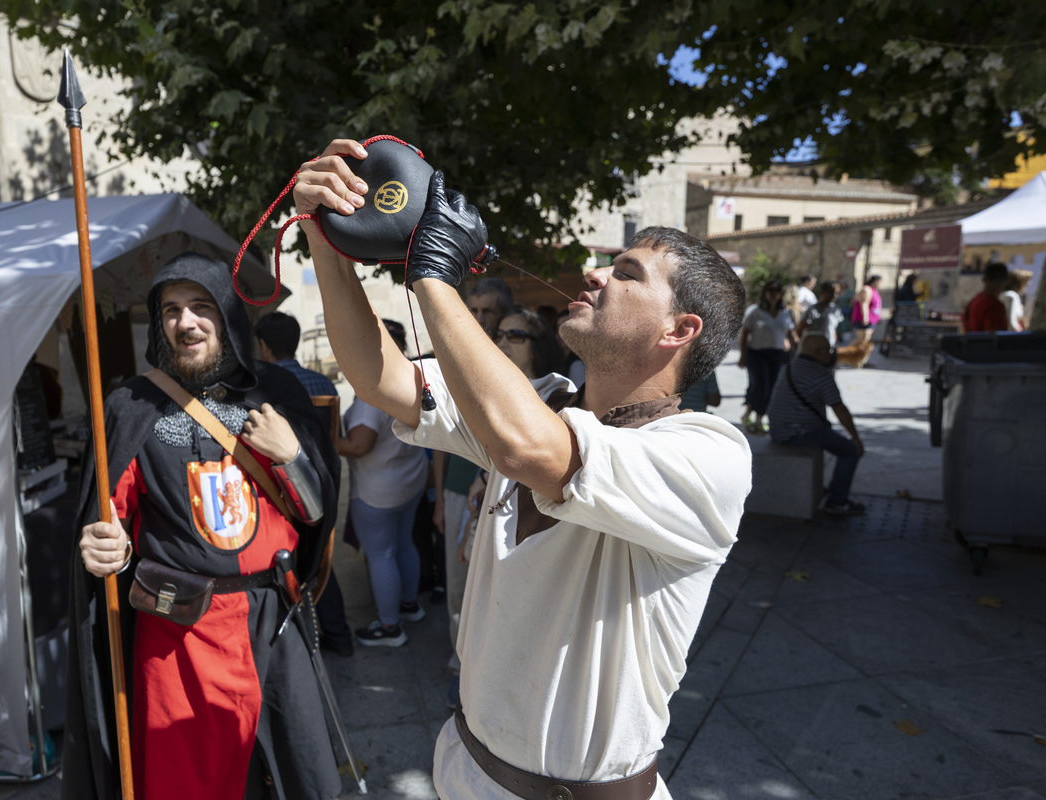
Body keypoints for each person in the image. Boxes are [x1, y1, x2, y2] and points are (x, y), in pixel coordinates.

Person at [293, 138, 751, 800]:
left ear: (679, 330)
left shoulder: (711, 454)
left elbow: (528, 452)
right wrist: (327, 237)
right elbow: (381, 376)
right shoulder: (540, 403)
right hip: (463, 767)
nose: (595, 274)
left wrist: (432, 274)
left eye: (626, 273)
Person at [63, 253, 342, 800]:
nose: (185, 322)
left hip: (271, 623)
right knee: (187, 784)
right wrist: (106, 551)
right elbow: (110, 526)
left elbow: (316, 516)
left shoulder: (277, 394)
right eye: (170, 310)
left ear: (230, 316)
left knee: (294, 775)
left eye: (200, 306)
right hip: (177, 636)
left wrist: (292, 458)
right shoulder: (129, 406)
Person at [254, 310, 354, 657]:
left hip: (280, 488)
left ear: (263, 346)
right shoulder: (323, 384)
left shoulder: (260, 385)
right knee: (321, 560)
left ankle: (294, 646)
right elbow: (334, 438)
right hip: (322, 481)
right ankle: (339, 636)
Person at [336, 319, 430, 647]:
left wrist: (323, 438)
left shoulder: (372, 392)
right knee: (404, 543)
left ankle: (390, 628)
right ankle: (410, 605)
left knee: (381, 555)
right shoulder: (414, 378)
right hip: (411, 478)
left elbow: (359, 445)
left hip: (378, 491)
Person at [767, 333, 866, 516]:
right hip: (799, 433)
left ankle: (833, 490)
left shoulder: (788, 368)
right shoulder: (820, 374)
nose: (831, 354)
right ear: (818, 352)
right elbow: (840, 410)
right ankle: (837, 501)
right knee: (850, 451)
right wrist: (856, 438)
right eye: (828, 351)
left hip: (777, 430)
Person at [738, 279, 797, 434]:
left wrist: (800, 352)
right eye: (770, 290)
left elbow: (791, 335)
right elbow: (744, 335)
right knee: (760, 385)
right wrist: (742, 356)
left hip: (777, 354)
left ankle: (752, 415)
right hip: (757, 354)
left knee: (772, 387)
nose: (774, 293)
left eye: (777, 290)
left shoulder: (785, 312)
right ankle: (757, 418)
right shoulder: (755, 311)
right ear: (765, 293)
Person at [963, 262, 1010, 333]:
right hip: (985, 343)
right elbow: (995, 336)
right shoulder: (994, 305)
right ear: (1004, 281)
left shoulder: (974, 300)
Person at [795, 281, 845, 347]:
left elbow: (833, 329)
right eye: (831, 292)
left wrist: (834, 344)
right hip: (814, 348)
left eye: (836, 293)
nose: (834, 295)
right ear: (822, 292)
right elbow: (799, 330)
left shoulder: (836, 310)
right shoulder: (813, 310)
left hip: (828, 348)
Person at [850, 274, 882, 342]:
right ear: (875, 281)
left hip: (871, 320)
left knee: (866, 340)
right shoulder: (867, 289)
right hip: (863, 320)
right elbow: (864, 304)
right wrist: (865, 318)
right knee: (862, 340)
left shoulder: (874, 290)